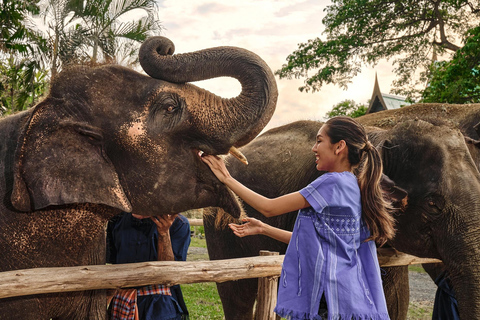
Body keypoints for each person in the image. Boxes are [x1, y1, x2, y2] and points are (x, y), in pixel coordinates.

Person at [200, 116, 395, 320]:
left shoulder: (331, 183)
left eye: (319, 141)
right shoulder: (354, 186)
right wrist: (263, 229)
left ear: (339, 147)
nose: (314, 148)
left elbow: (269, 207)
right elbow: (318, 242)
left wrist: (226, 178)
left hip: (327, 298)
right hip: (348, 298)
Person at [106, 212, 191, 320]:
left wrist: (164, 233)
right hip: (122, 301)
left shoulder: (179, 223)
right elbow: (113, 264)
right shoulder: (116, 220)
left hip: (160, 306)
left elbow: (170, 273)